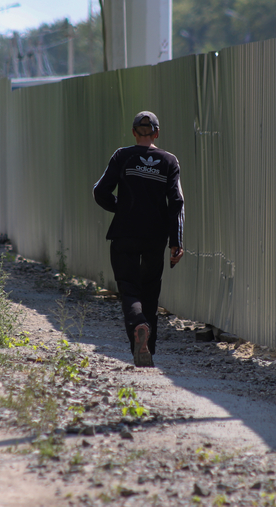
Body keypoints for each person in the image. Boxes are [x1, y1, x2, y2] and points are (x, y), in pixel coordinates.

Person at [92, 111, 185, 367]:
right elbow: (177, 202)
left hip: (124, 233)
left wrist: (121, 209)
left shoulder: (123, 156)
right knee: (151, 292)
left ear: (134, 132)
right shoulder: (169, 161)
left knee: (129, 288)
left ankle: (138, 328)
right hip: (155, 237)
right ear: (156, 133)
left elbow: (99, 191)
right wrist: (176, 242)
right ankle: (148, 353)